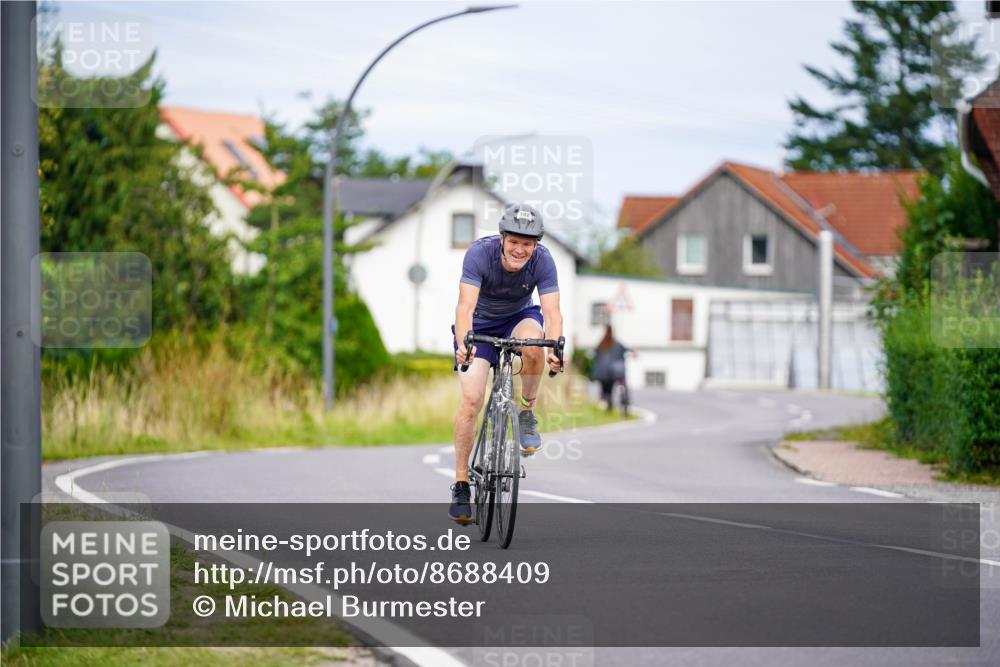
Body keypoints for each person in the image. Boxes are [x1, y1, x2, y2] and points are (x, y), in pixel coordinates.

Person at [449, 203, 563, 524]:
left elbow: (552, 312)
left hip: (519, 318)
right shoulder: (479, 254)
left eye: (527, 244)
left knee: (533, 345)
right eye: (514, 241)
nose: (519, 250)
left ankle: (526, 411)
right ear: (501, 238)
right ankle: (460, 484)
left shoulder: (543, 261)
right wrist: (462, 344)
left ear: (535, 245)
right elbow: (464, 306)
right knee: (471, 401)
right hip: (480, 326)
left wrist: (555, 347)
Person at [591, 325, 628, 412]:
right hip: (612, 373)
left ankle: (604, 405)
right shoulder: (617, 344)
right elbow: (624, 350)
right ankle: (609, 406)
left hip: (602, 373)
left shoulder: (601, 344)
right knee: (610, 390)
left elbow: (596, 356)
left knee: (604, 390)